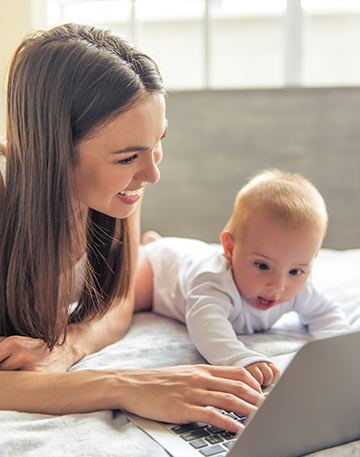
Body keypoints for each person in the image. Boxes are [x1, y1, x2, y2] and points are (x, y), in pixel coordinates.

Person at [0, 23, 263, 432]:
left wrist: (70, 347)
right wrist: (122, 384)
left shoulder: (116, 195)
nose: (152, 173)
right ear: (51, 149)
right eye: (127, 158)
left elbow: (120, 299)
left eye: (158, 141)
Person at [135, 170, 351, 387]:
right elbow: (207, 326)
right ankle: (151, 246)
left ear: (312, 259)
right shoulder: (213, 282)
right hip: (160, 270)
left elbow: (327, 315)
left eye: (295, 271)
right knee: (127, 298)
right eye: (263, 266)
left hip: (188, 256)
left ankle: (154, 241)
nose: (277, 286)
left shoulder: (300, 287)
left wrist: (342, 350)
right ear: (230, 248)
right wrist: (240, 359)